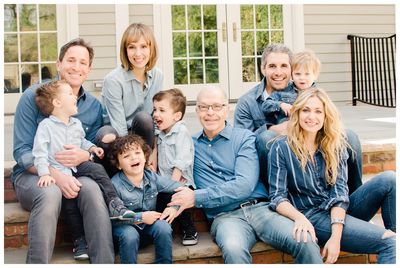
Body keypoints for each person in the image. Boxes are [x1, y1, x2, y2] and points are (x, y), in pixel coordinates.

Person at [168, 86, 323, 264]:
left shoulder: (244, 138)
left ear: (227, 109)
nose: (210, 112)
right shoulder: (189, 146)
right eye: (204, 107)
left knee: (306, 240)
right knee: (234, 249)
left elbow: (244, 185)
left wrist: (197, 197)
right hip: (225, 218)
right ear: (197, 111)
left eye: (217, 106)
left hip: (261, 210)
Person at [12, 38, 114, 263]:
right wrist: (54, 175)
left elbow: (91, 147)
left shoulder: (93, 107)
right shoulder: (32, 96)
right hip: (33, 174)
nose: (76, 67)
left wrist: (86, 154)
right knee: (50, 193)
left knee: (93, 191)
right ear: (58, 64)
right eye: (70, 60)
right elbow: (21, 151)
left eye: (82, 62)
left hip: (74, 172)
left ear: (88, 70)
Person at [268, 87, 396, 264]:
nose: (311, 117)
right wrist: (299, 218)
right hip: (312, 215)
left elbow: (339, 194)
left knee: (389, 179)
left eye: (318, 111)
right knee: (390, 243)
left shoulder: (334, 144)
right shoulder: (281, 147)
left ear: (326, 116)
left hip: (339, 212)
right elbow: (277, 197)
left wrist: (336, 237)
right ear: (296, 113)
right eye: (306, 110)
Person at [234, 43, 362, 195]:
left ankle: (355, 195)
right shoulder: (247, 102)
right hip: (279, 159)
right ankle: (274, 196)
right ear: (263, 69)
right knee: (265, 138)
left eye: (284, 66)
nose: (278, 72)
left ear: (292, 68)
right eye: (272, 66)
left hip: (311, 145)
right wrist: (272, 129)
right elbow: (241, 143)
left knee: (350, 137)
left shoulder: (304, 89)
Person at [32, 80, 136, 259]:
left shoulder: (76, 124)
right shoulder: (46, 127)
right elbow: (39, 152)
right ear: (57, 103)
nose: (74, 97)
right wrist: (45, 173)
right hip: (59, 170)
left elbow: (82, 141)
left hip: (77, 166)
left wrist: (91, 149)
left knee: (96, 169)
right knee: (70, 204)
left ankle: (114, 203)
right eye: (70, 95)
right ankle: (80, 242)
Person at [97, 23, 163, 177]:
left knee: (145, 118)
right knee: (106, 134)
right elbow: (119, 127)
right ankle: (118, 177)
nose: (138, 53)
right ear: (125, 50)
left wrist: (154, 151)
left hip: (142, 130)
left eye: (143, 46)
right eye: (132, 47)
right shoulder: (113, 80)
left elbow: (155, 118)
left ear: (151, 48)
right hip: (116, 132)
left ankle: (146, 173)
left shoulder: (158, 75)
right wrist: (130, 156)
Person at [109, 134, 184, 264]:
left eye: (137, 153)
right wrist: (140, 217)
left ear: (145, 157)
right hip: (124, 231)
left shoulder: (152, 177)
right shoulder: (115, 184)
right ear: (119, 165)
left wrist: (173, 208)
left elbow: (179, 187)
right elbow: (115, 217)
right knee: (130, 234)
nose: (133, 158)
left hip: (148, 228)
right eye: (126, 156)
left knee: (163, 227)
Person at [152, 88, 198, 245]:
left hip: (181, 182)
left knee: (176, 199)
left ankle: (190, 231)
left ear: (176, 116)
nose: (155, 114)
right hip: (164, 181)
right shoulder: (160, 132)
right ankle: (161, 229)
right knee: (159, 199)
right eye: (155, 109)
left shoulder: (181, 132)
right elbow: (155, 154)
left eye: (161, 110)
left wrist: (172, 184)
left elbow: (182, 160)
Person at [262, 49, 320, 124]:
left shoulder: (318, 96)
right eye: (298, 74)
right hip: (285, 129)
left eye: (307, 74)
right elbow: (265, 105)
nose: (302, 78)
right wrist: (280, 105)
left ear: (315, 75)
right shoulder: (284, 91)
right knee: (265, 135)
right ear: (292, 75)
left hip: (309, 129)